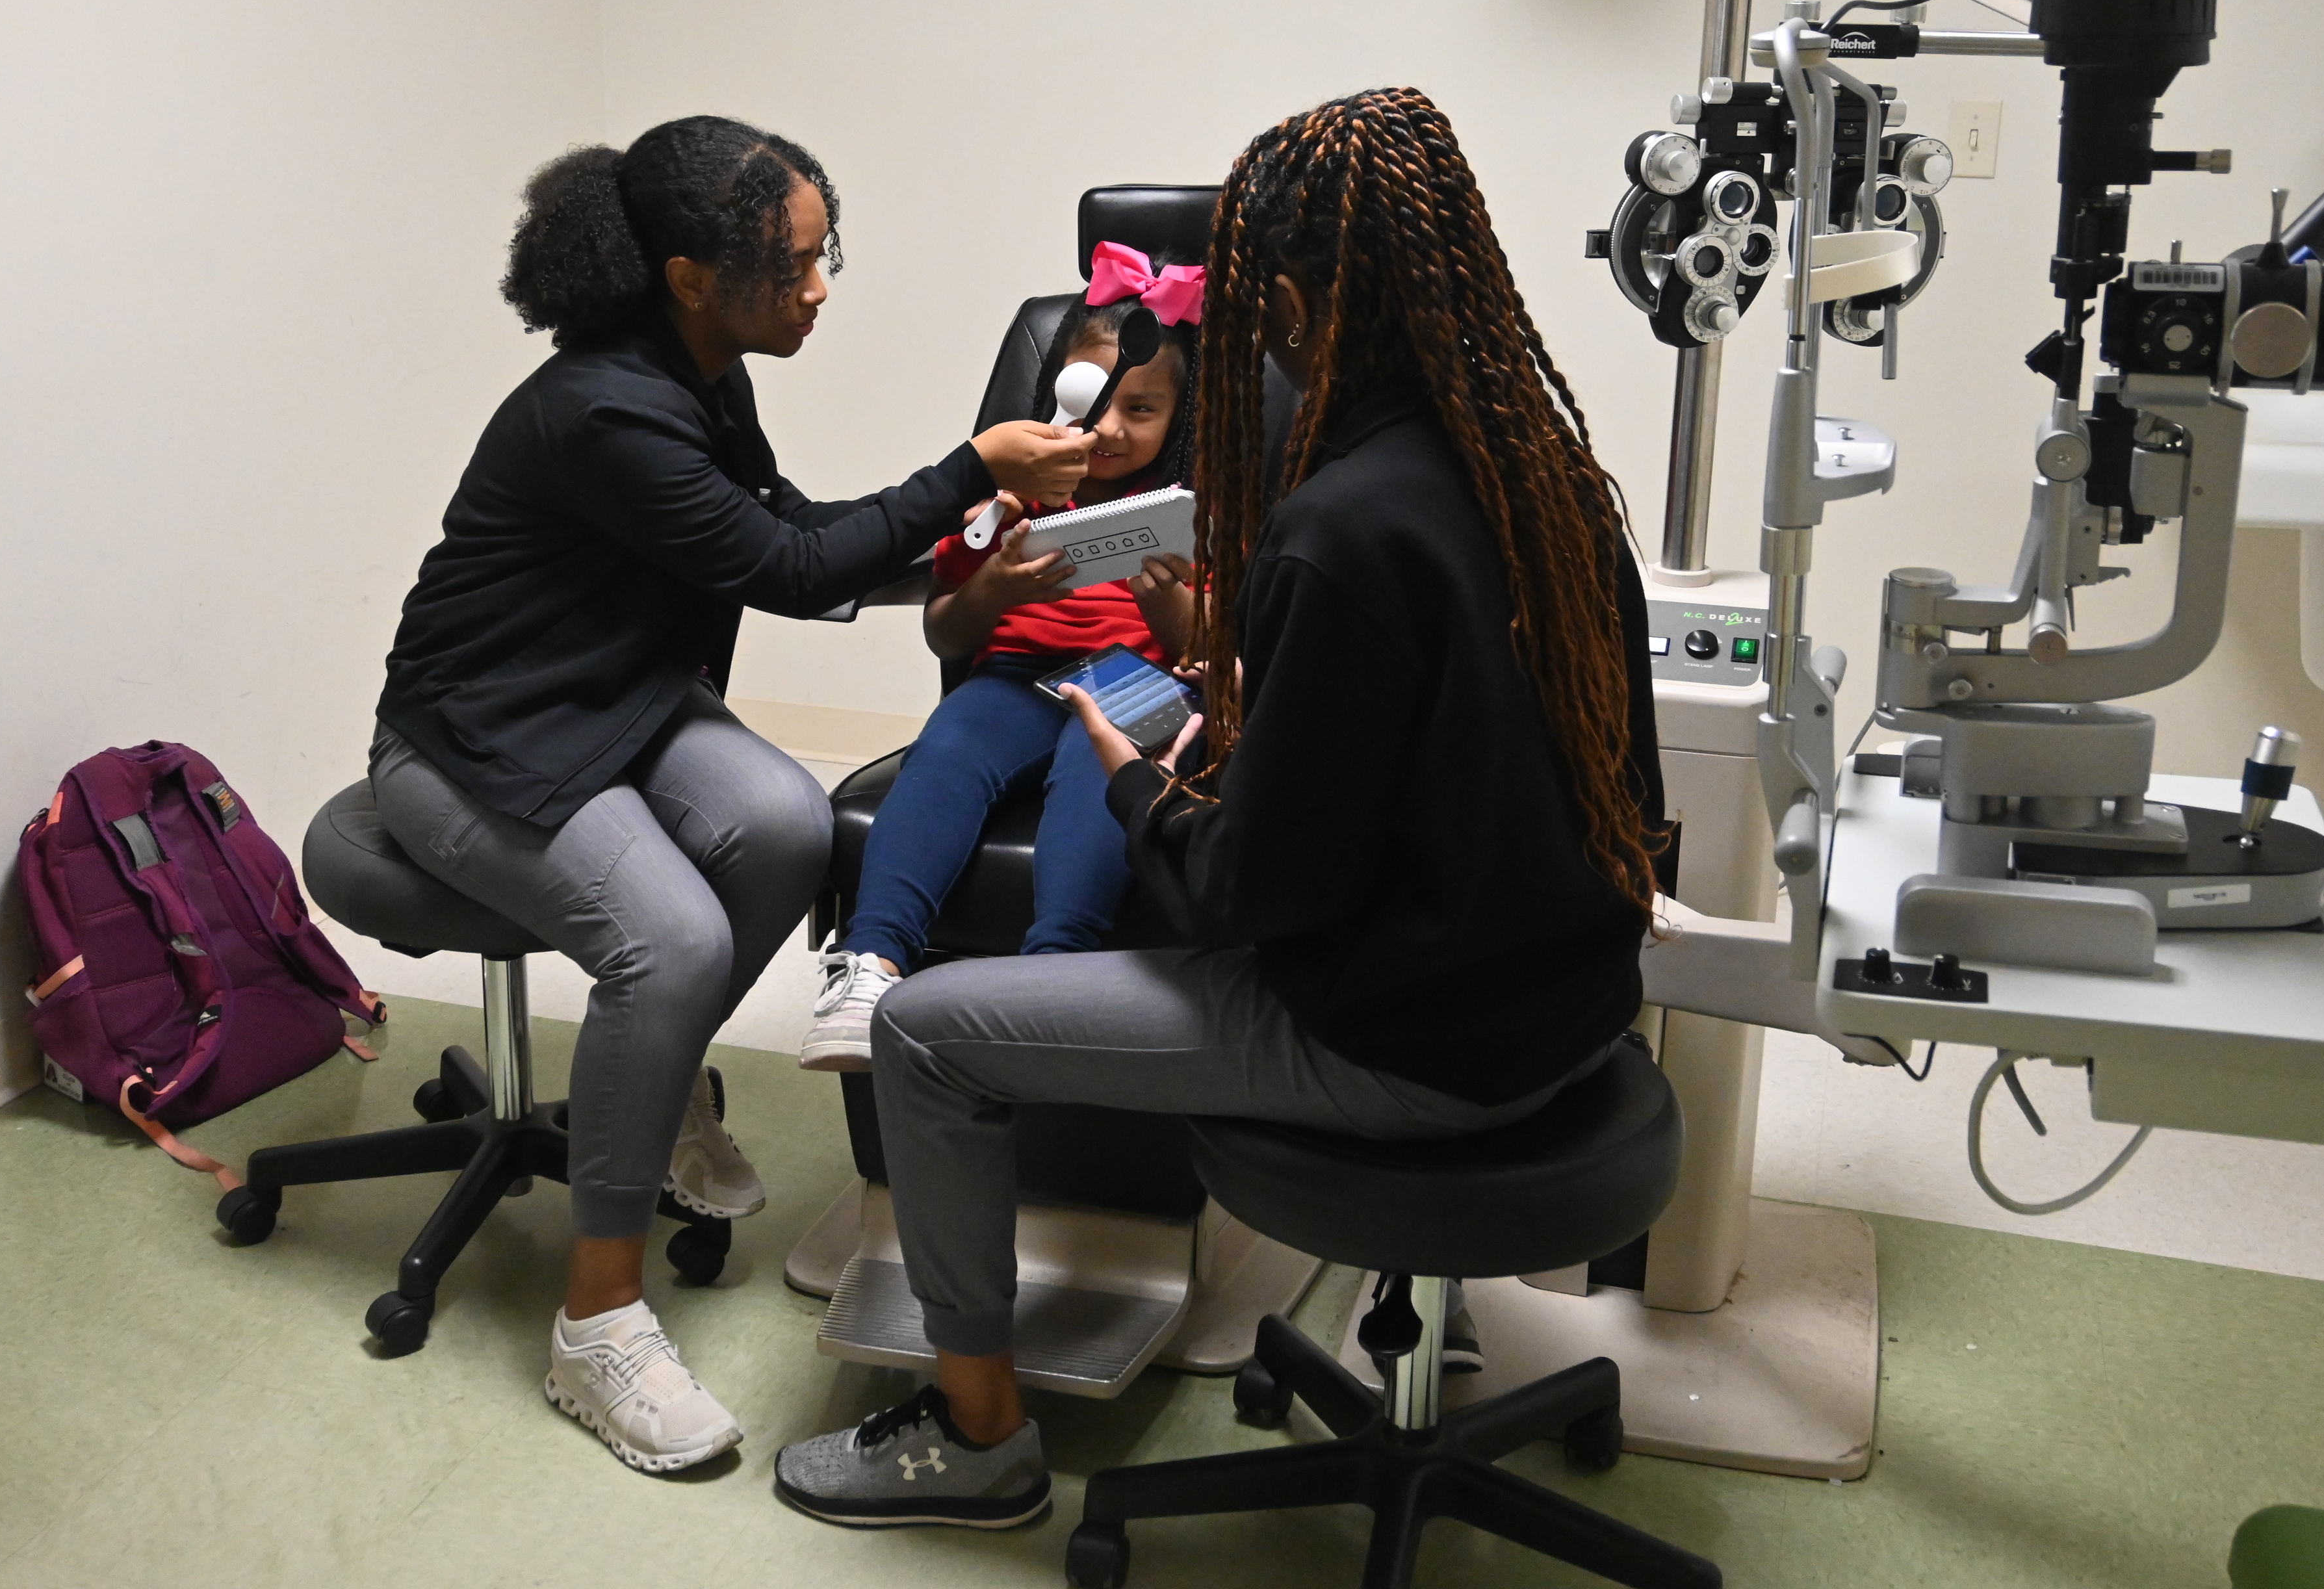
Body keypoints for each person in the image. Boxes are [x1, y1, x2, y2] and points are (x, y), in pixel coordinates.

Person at [771, 87, 1666, 1530]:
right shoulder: (1548, 476)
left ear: (1297, 310)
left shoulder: (1338, 529)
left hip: (1411, 1045)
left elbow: (1259, 896)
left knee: (922, 1033)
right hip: (1569, 1006)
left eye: (1258, 318)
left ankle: (981, 1436)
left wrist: (1143, 786)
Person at [368, 116, 1091, 1477]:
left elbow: (792, 532)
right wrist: (972, 469)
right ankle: (595, 1324)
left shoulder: (699, 370)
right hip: (474, 741)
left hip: (621, 700)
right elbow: (789, 568)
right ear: (692, 277)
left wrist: (977, 551)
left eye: (826, 256)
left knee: (791, 824)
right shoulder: (603, 410)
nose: (818, 289)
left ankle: (652, 1096)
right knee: (674, 942)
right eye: (792, 266)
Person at [797, 244, 1202, 1070]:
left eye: (1143, 409)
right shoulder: (1008, 497)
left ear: (1181, 417)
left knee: (1102, 774)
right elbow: (947, 634)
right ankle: (870, 964)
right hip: (1015, 674)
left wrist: (1165, 598)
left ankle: (1052, 982)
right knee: (948, 751)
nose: (1111, 429)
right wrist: (996, 588)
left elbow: (1207, 650)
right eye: (1097, 401)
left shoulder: (1197, 511)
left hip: (1136, 677)